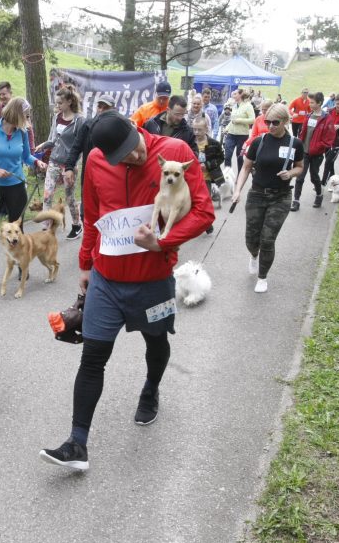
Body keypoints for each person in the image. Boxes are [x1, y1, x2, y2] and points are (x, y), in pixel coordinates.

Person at [38, 113, 215, 471]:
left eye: (134, 151)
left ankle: (151, 388)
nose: (133, 159)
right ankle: (77, 444)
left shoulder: (175, 153)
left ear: (138, 130)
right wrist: (86, 264)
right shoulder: (98, 163)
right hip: (107, 279)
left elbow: (203, 211)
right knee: (92, 356)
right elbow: (93, 217)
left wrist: (163, 241)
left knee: (156, 341)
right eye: (122, 157)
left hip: (153, 280)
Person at [0, 97, 47, 290]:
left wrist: (36, 162)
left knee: (18, 232)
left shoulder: (21, 132)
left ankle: (22, 267)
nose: (28, 119)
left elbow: (26, 156)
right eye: (26, 115)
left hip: (16, 187)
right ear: (16, 114)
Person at [231, 104, 305, 294]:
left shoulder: (294, 143)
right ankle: (254, 255)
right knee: (251, 239)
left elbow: (299, 167)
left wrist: (290, 174)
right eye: (267, 122)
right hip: (256, 195)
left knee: (268, 239)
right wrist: (237, 190)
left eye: (275, 122)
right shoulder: (259, 141)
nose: (270, 126)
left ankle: (262, 277)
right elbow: (246, 168)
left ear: (285, 122)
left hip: (280, 197)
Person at [35, 86, 86, 239]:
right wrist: (43, 145)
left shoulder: (79, 121)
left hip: (69, 166)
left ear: (69, 102)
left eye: (60, 103)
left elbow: (80, 147)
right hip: (54, 162)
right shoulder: (56, 118)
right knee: (47, 195)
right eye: (56, 103)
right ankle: (46, 229)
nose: (57, 106)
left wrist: (72, 165)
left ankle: (76, 225)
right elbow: (53, 139)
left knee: (69, 197)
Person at [61, 95, 118, 199]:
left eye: (106, 107)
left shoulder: (119, 126)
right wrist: (69, 168)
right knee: (87, 210)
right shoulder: (87, 126)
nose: (102, 110)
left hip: (111, 177)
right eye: (100, 106)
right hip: (90, 176)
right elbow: (76, 148)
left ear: (114, 109)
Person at [291, 92, 337, 211]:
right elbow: (303, 133)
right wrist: (298, 146)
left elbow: (329, 139)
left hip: (316, 155)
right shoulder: (308, 116)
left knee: (314, 177)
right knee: (300, 177)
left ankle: (319, 195)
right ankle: (296, 201)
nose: (309, 104)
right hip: (304, 153)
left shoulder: (327, 119)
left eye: (312, 102)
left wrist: (317, 148)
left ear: (319, 103)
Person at [192, 115, 225, 217]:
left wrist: (207, 165)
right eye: (194, 129)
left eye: (199, 130)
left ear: (206, 129)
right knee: (193, 200)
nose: (196, 132)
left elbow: (221, 158)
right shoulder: (190, 142)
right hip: (192, 177)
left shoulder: (214, 144)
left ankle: (207, 221)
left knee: (205, 200)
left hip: (206, 178)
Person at [223, 89, 255, 172]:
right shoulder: (234, 106)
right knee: (227, 156)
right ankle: (227, 176)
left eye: (235, 94)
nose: (233, 95)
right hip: (231, 134)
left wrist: (240, 120)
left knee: (239, 157)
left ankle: (240, 177)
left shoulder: (248, 106)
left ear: (240, 95)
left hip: (242, 135)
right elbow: (232, 120)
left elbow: (252, 120)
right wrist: (226, 128)